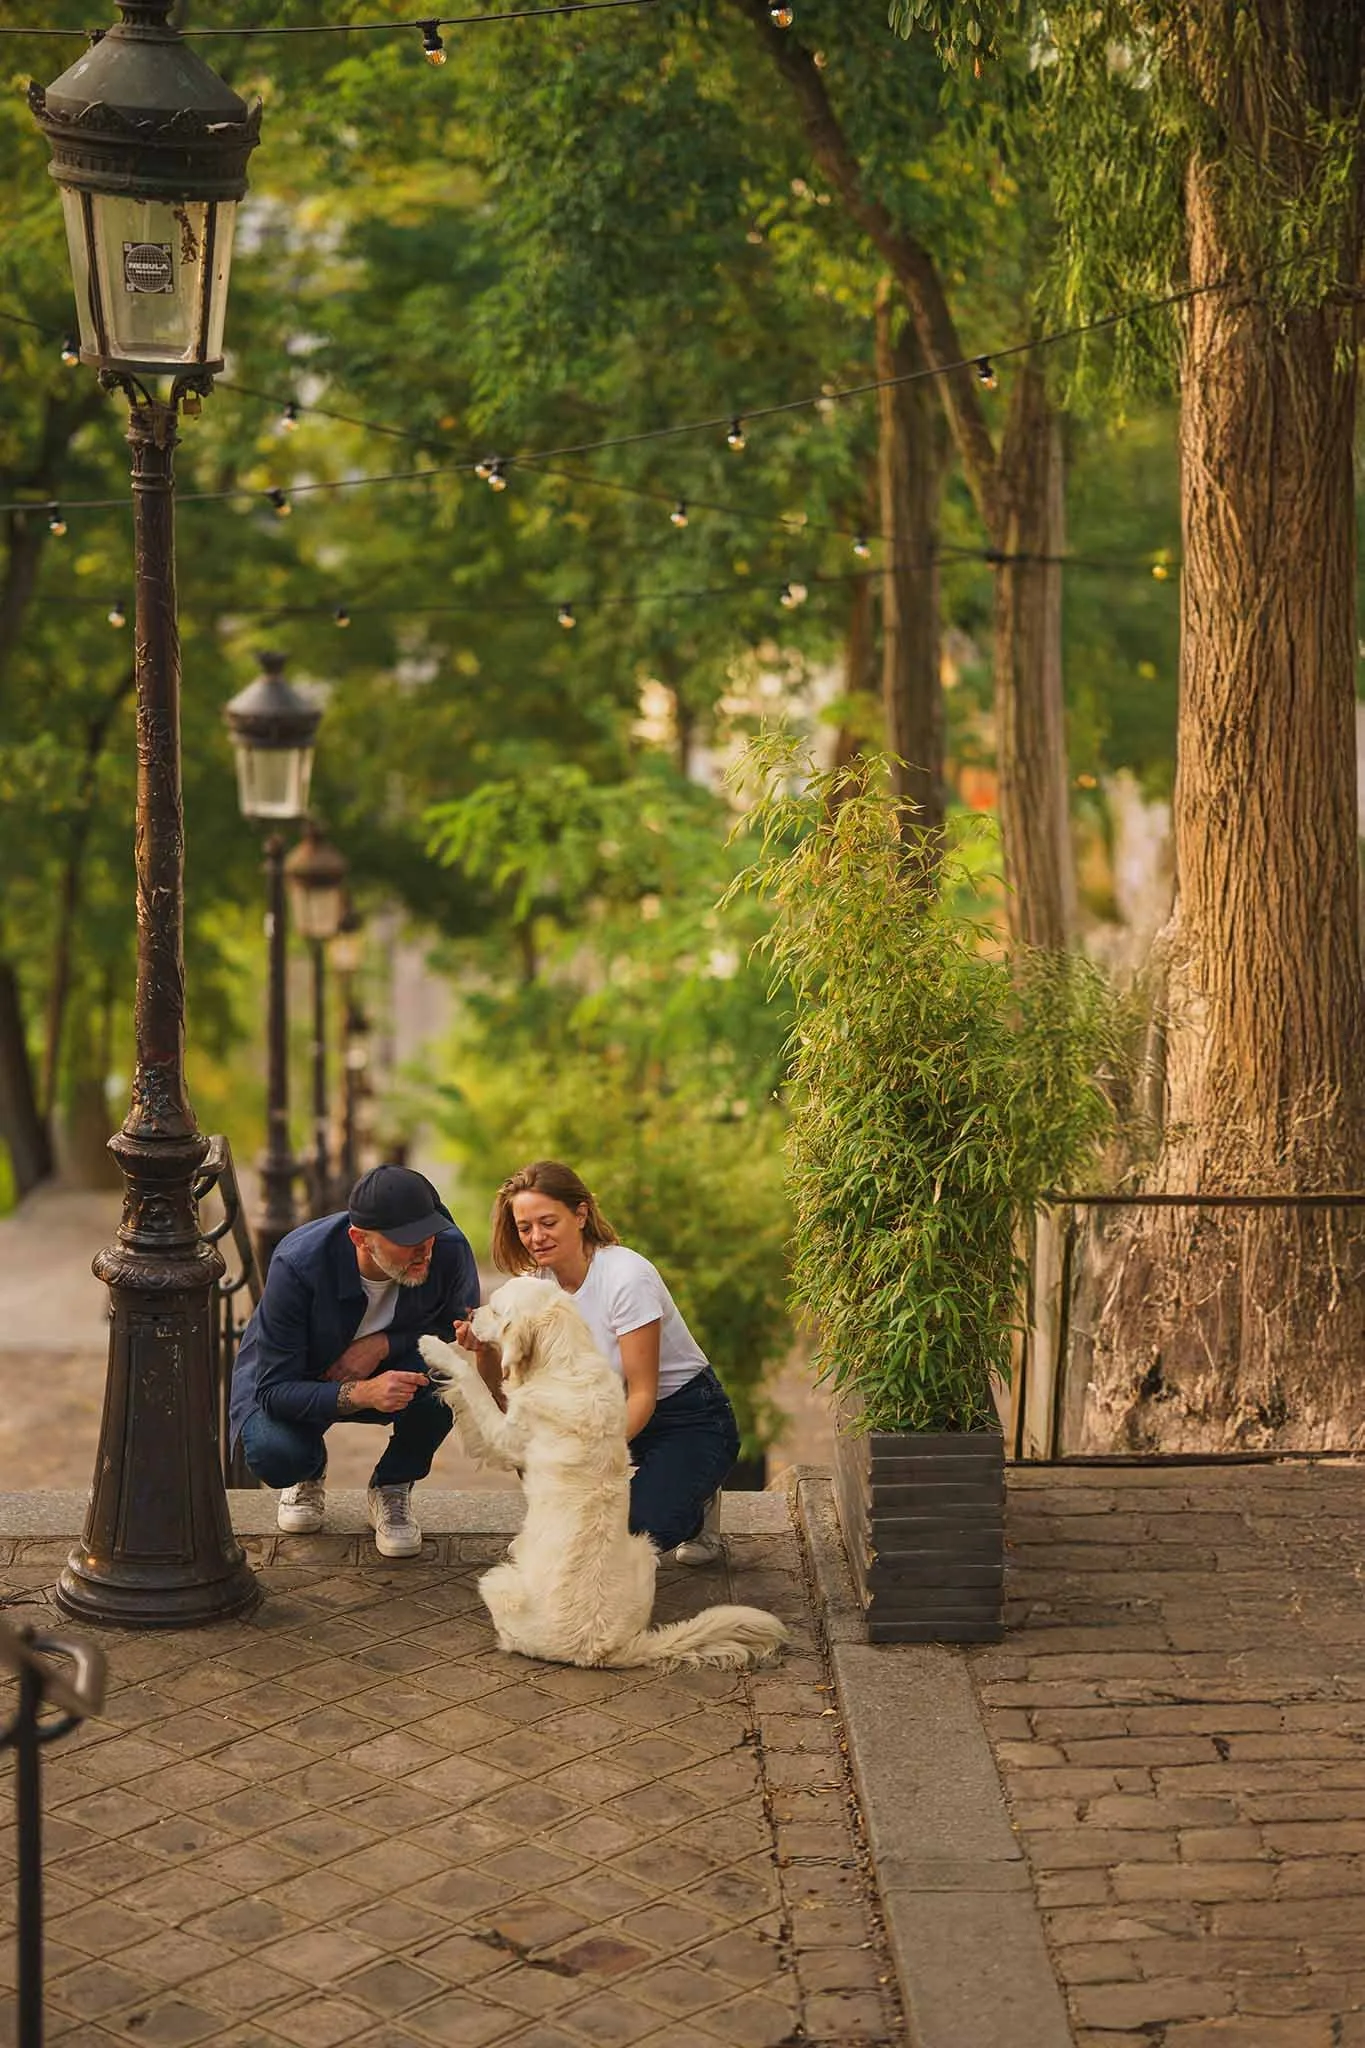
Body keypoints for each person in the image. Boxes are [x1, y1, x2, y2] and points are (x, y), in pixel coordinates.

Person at [465, 1159, 740, 1565]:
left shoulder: (627, 1278)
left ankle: (695, 1500)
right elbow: (509, 1397)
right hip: (596, 1413)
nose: (536, 1238)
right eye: (525, 1228)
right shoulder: (534, 1288)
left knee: (622, 1539)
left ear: (580, 1214)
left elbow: (642, 1393)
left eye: (548, 1222)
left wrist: (587, 1461)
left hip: (682, 1415)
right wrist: (484, 1350)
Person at [230, 1164, 488, 1559]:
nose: (424, 1248)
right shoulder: (298, 1264)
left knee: (445, 1387)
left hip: (397, 1363)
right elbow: (273, 1390)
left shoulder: (448, 1249)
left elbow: (451, 1324)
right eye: (407, 1239)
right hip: (296, 1375)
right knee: (275, 1453)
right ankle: (307, 1473)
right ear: (360, 1238)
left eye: (429, 1232)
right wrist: (361, 1393)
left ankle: (392, 1485)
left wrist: (384, 1342)